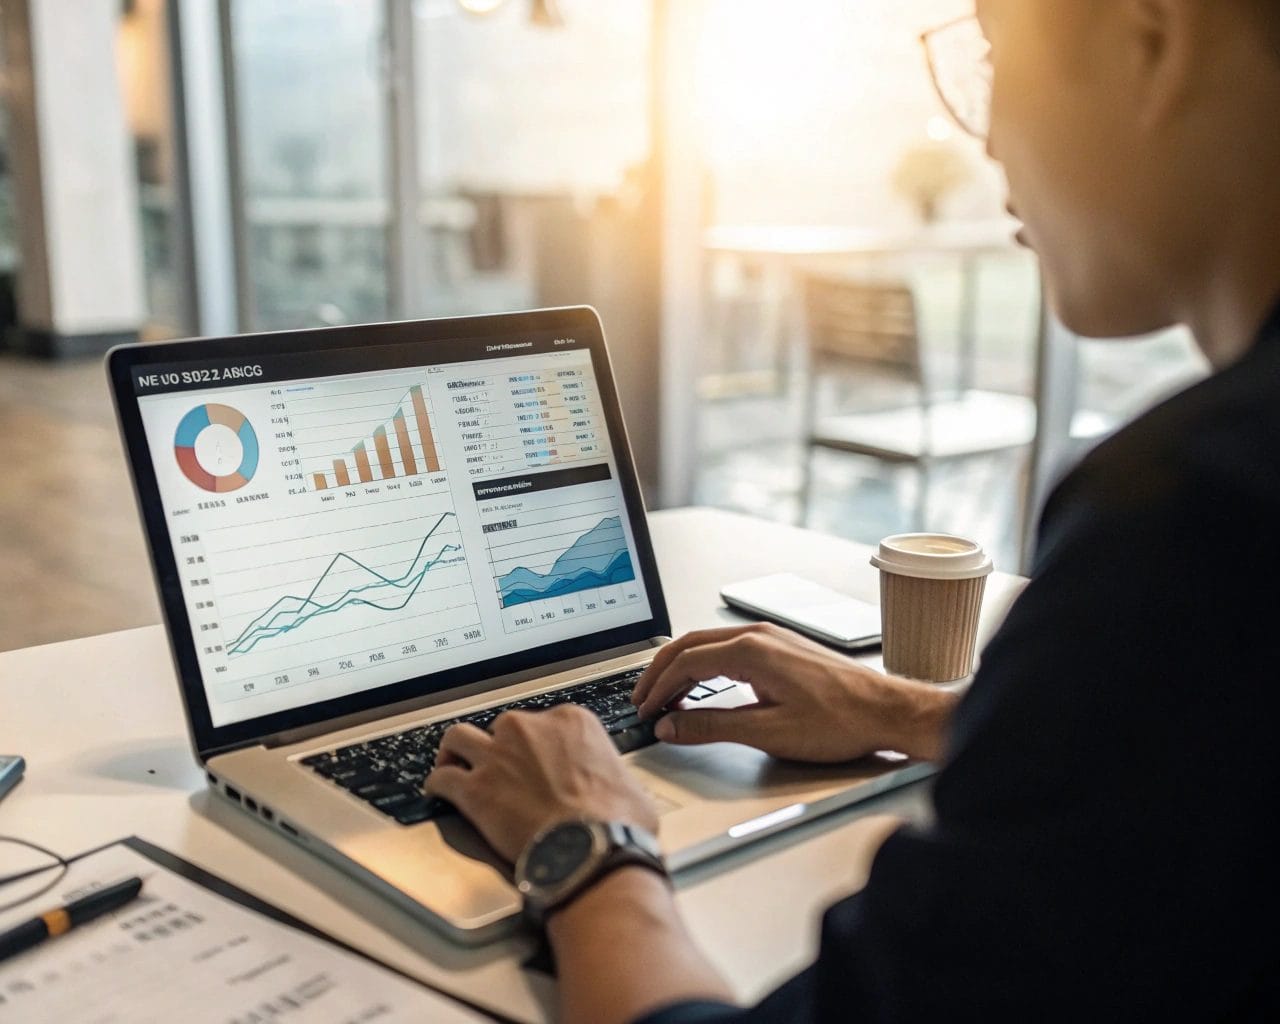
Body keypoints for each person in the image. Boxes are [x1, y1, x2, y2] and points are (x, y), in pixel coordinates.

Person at [425, 1, 1280, 1019]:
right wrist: (895, 709)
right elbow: (1189, 760)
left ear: (1153, 41)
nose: (986, 136)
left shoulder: (1196, 522)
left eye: (993, 61)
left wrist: (587, 842)